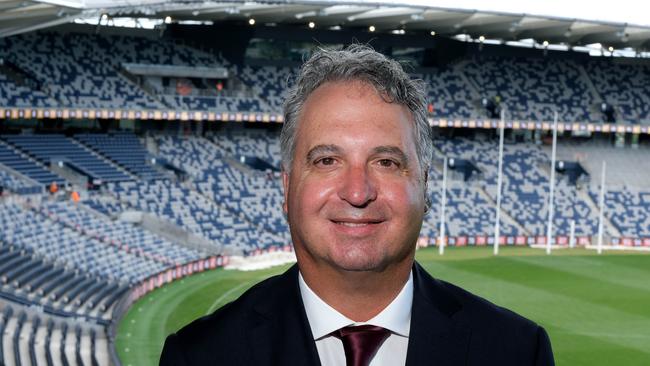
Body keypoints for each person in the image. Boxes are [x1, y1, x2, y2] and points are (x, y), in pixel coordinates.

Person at [160, 45, 554, 366]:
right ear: (286, 188)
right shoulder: (200, 356)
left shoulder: (517, 352)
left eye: (386, 162)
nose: (357, 191)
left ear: (426, 185)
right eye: (326, 161)